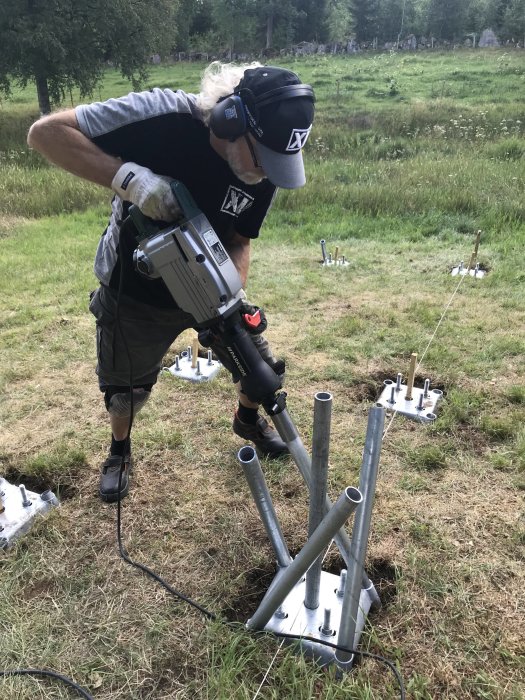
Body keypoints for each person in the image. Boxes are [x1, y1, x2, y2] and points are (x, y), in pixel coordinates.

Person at [27, 61, 315, 503]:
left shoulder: (266, 169)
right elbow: (45, 134)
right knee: (127, 390)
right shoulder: (161, 117)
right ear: (230, 118)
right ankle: (119, 450)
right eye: (264, 158)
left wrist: (227, 294)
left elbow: (240, 241)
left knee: (260, 367)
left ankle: (247, 418)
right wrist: (129, 179)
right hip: (134, 289)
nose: (269, 174)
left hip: (209, 287)